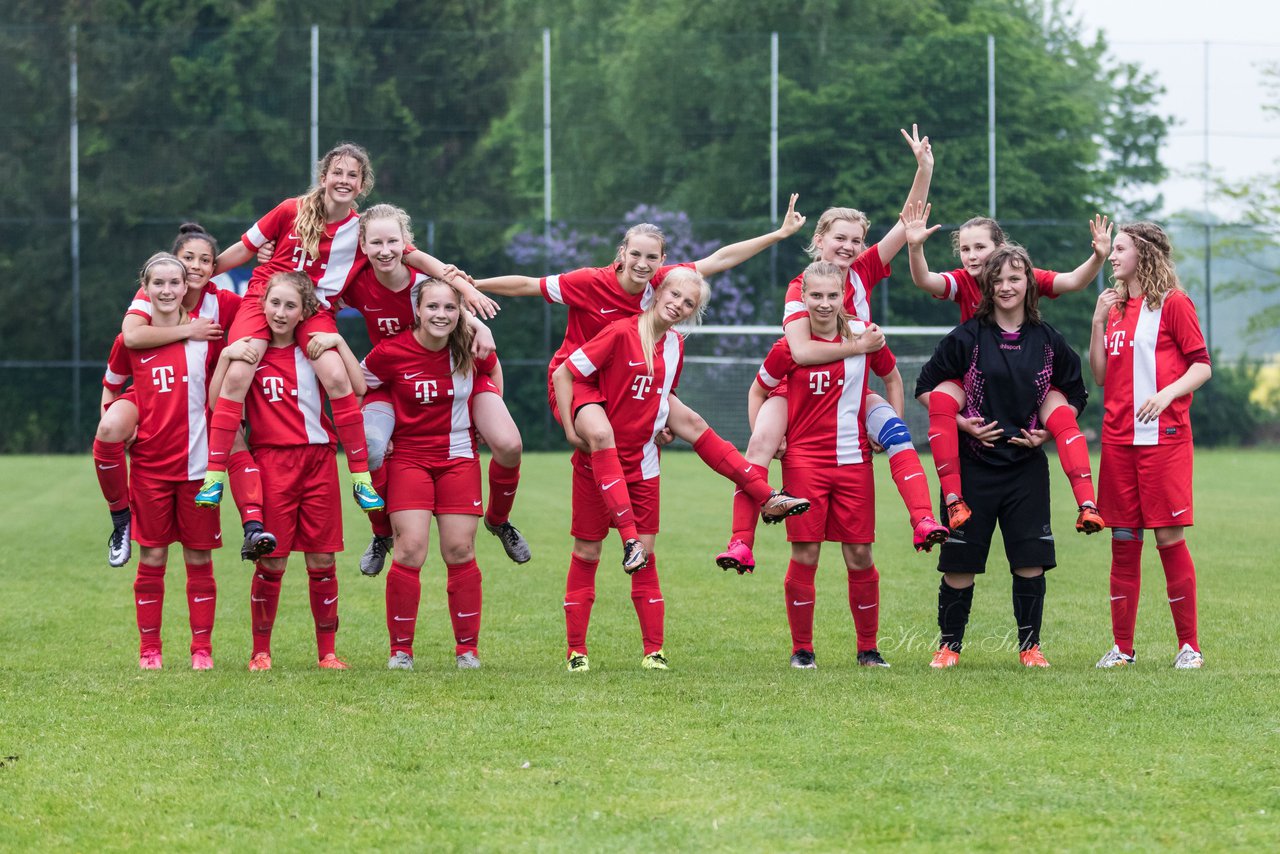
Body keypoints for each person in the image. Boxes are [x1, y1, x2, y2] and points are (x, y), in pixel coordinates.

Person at [551, 268, 808, 672]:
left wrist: (660, 428)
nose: (678, 304)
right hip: (597, 464)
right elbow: (567, 372)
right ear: (657, 291)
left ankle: (653, 651)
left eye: (688, 303)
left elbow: (660, 400)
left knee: (648, 555)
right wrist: (570, 427)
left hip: (642, 464)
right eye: (674, 294)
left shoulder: (675, 346)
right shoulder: (619, 332)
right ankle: (576, 651)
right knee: (587, 551)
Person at [717, 126, 936, 573]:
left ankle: (924, 520)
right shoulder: (803, 286)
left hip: (848, 391)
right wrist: (860, 345)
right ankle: (741, 543)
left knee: (896, 430)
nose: (850, 247)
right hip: (798, 392)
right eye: (840, 238)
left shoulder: (864, 269)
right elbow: (798, 352)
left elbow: (907, 221)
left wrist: (924, 168)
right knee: (759, 441)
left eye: (856, 240)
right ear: (819, 240)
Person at [750, 262, 947, 669]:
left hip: (855, 460)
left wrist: (884, 424)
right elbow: (759, 389)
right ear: (801, 299)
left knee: (859, 555)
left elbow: (892, 377)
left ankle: (868, 650)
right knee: (806, 556)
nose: (824, 304)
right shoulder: (790, 345)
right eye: (815, 296)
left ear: (844, 295)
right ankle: (802, 650)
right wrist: (775, 436)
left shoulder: (865, 334)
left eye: (832, 295)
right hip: (805, 463)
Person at [321, 204, 529, 576]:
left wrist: (476, 323)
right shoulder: (355, 281)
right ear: (363, 247)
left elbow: (451, 304)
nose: (385, 250)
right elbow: (317, 293)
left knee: (510, 444)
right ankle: (380, 533)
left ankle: (500, 521)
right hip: (391, 376)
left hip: (458, 375)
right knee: (368, 449)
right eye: (375, 242)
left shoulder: (424, 283)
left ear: (406, 244)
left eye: (392, 241)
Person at [914, 245, 1089, 669]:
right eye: (998, 280)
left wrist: (1047, 432)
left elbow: (1076, 393)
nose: (1007, 286)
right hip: (972, 466)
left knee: (1030, 562)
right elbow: (926, 388)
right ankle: (949, 647)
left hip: (1024, 468)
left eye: (1015, 278)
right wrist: (962, 424)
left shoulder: (1048, 341)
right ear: (987, 287)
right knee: (959, 565)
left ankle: (1030, 648)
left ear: (1029, 283)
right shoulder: (967, 337)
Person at [192, 143, 390, 513]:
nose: (343, 180)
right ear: (323, 177)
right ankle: (214, 476)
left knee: (334, 375)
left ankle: (360, 479)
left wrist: (457, 283)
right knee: (238, 373)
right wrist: (197, 278)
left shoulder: (362, 231)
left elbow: (402, 254)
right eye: (338, 173)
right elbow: (244, 249)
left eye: (353, 175)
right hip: (263, 299)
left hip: (312, 308)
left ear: (363, 185)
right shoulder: (290, 210)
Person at [902, 201, 1111, 533]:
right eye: (965, 249)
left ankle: (1087, 504)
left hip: (1022, 374)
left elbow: (1072, 282)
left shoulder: (1018, 274)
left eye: (980, 247)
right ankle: (954, 499)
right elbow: (925, 280)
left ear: (1001, 248)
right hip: (972, 374)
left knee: (1061, 414)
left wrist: (1099, 257)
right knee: (940, 398)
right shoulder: (964, 282)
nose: (972, 255)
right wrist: (915, 247)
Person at [99, 223, 276, 568]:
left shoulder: (223, 301)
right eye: (188, 258)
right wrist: (191, 330)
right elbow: (131, 338)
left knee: (235, 443)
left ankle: (253, 528)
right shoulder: (156, 290)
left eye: (205, 260)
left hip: (205, 395)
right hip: (154, 392)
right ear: (173, 263)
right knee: (108, 429)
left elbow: (265, 311)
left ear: (214, 268)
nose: (195, 266)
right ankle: (121, 520)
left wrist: (270, 263)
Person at [213, 271, 364, 671]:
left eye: (290, 306)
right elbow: (216, 403)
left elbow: (359, 389)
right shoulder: (250, 353)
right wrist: (227, 355)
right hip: (272, 463)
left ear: (305, 312)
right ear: (262, 306)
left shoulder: (315, 353)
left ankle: (327, 652)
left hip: (318, 462)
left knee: (321, 561)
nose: (280, 312)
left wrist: (339, 341)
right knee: (273, 562)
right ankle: (260, 651)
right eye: (274, 303)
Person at [1089, 223, 1212, 670]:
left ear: (1143, 253)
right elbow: (1100, 375)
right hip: (1118, 440)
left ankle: (1190, 647)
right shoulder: (1116, 307)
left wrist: (1166, 394)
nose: (1112, 255)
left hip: (1165, 439)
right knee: (1123, 541)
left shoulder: (1173, 303)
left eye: (1119, 248)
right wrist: (1098, 321)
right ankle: (1122, 649)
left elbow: (1202, 366)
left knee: (1167, 537)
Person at [360, 277, 499, 671]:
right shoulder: (391, 351)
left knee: (460, 550)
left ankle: (467, 651)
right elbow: (359, 385)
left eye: (450, 308)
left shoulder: (470, 348)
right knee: (410, 549)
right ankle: (400, 651)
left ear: (461, 314)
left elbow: (492, 376)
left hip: (458, 457)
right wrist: (377, 425)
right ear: (417, 311)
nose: (441, 314)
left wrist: (487, 415)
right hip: (409, 457)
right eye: (433, 307)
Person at [117, 253, 221, 670]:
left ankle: (201, 651)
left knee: (199, 559)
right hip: (149, 471)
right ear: (145, 287)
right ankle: (150, 651)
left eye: (174, 283)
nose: (166, 290)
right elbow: (113, 374)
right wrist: (118, 419)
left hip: (197, 470)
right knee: (153, 559)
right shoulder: (136, 336)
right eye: (157, 283)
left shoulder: (205, 337)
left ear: (184, 288)